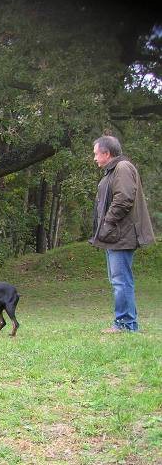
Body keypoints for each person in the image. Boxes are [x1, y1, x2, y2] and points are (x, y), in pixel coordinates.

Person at [89, 136, 154, 333]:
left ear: (106, 153)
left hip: (121, 234)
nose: (94, 158)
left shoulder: (122, 168)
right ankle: (127, 323)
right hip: (115, 235)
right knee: (119, 279)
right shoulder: (114, 170)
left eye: (96, 154)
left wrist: (108, 222)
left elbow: (124, 199)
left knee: (121, 280)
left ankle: (125, 324)